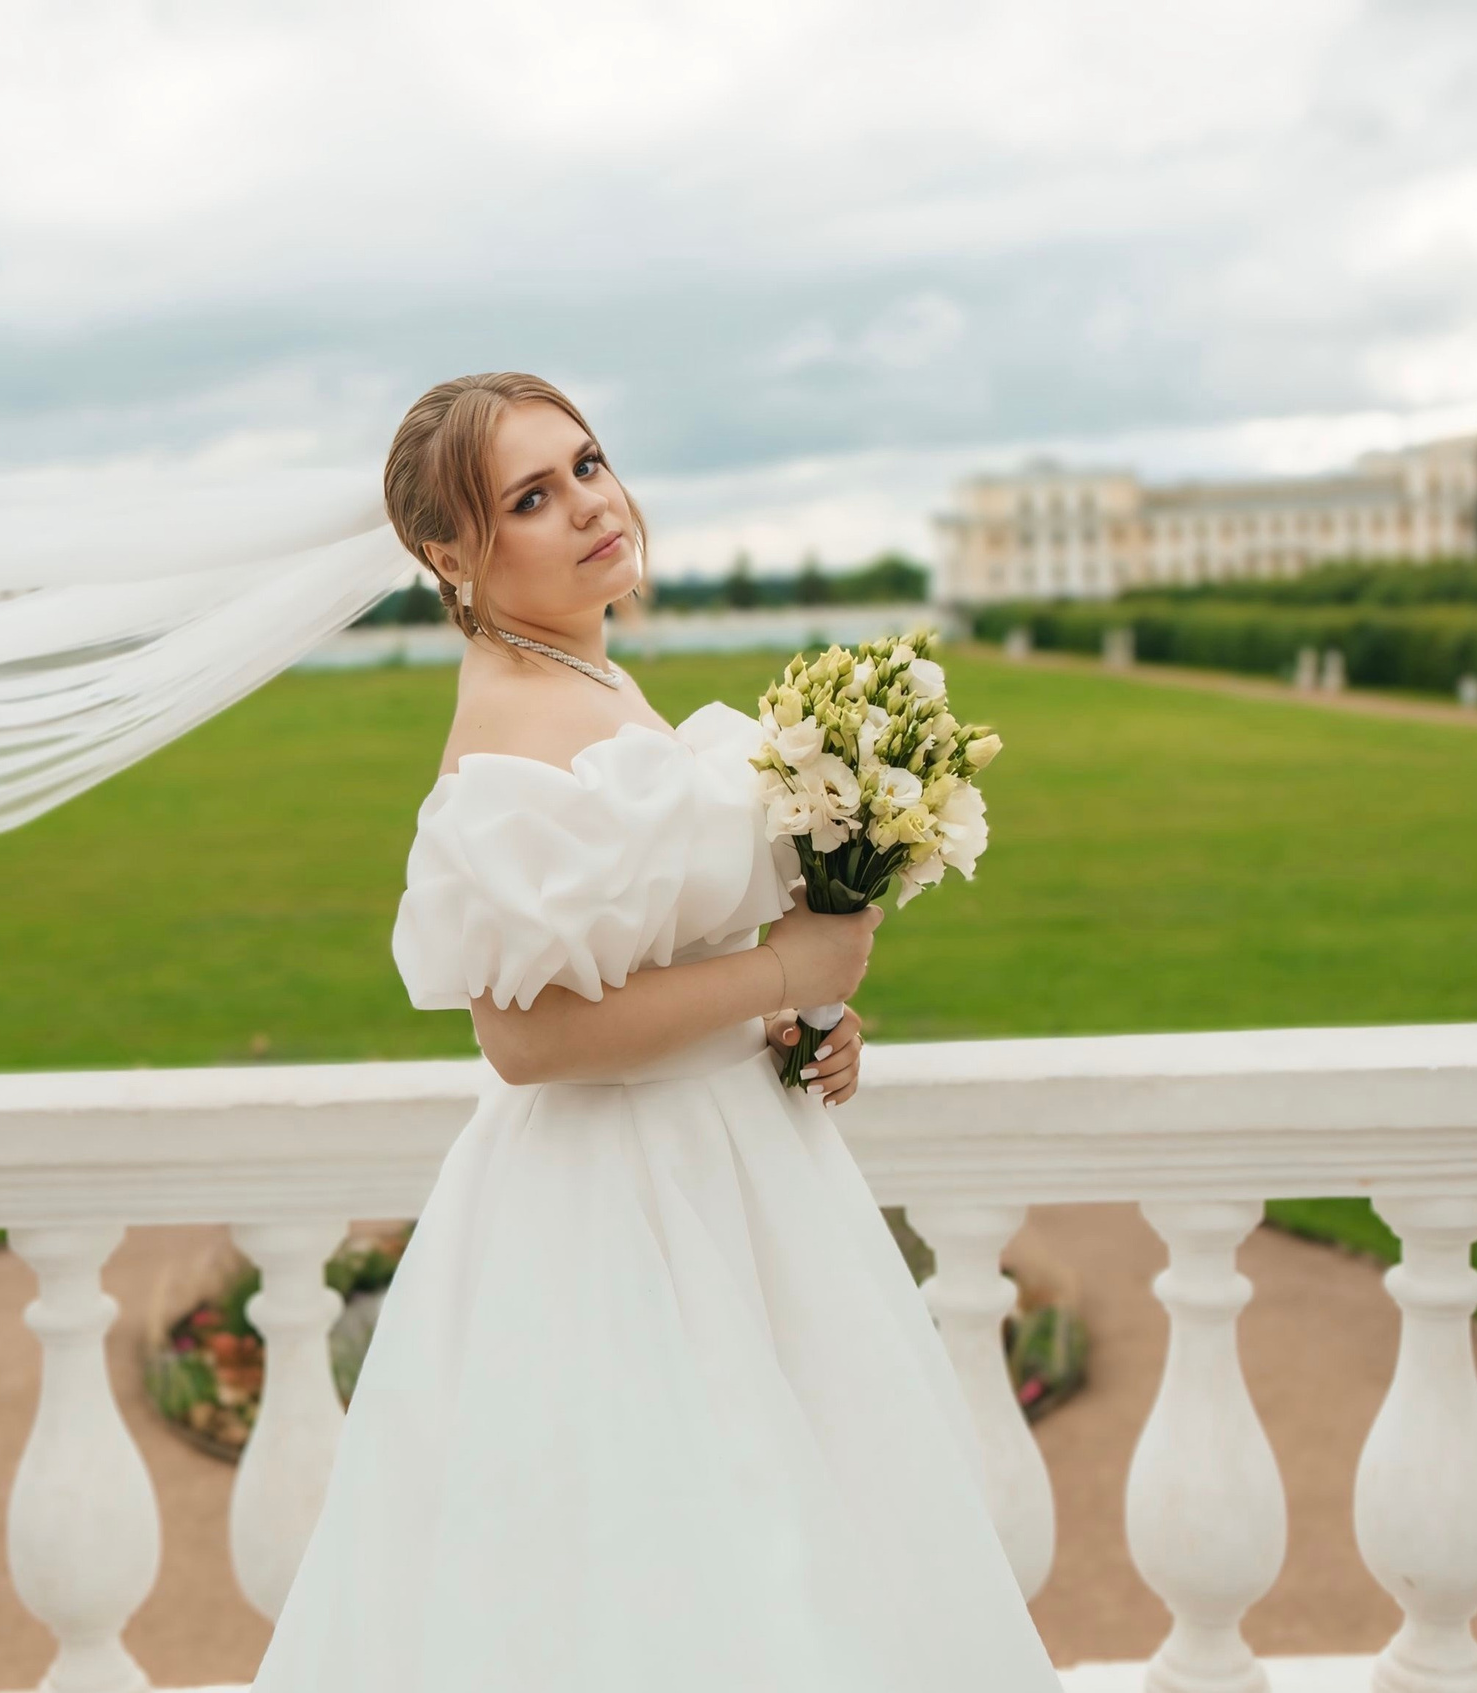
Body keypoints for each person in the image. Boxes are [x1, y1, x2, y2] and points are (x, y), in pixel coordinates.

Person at [249, 374, 1058, 1689]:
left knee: (796, 1554)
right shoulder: (513, 718)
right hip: (617, 1211)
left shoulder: (586, 673)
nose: (587, 503)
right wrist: (787, 962)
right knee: (677, 1572)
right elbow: (526, 1041)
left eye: (587, 463)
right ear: (452, 557)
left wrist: (799, 1012)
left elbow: (659, 946)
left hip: (731, 1169)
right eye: (529, 496)